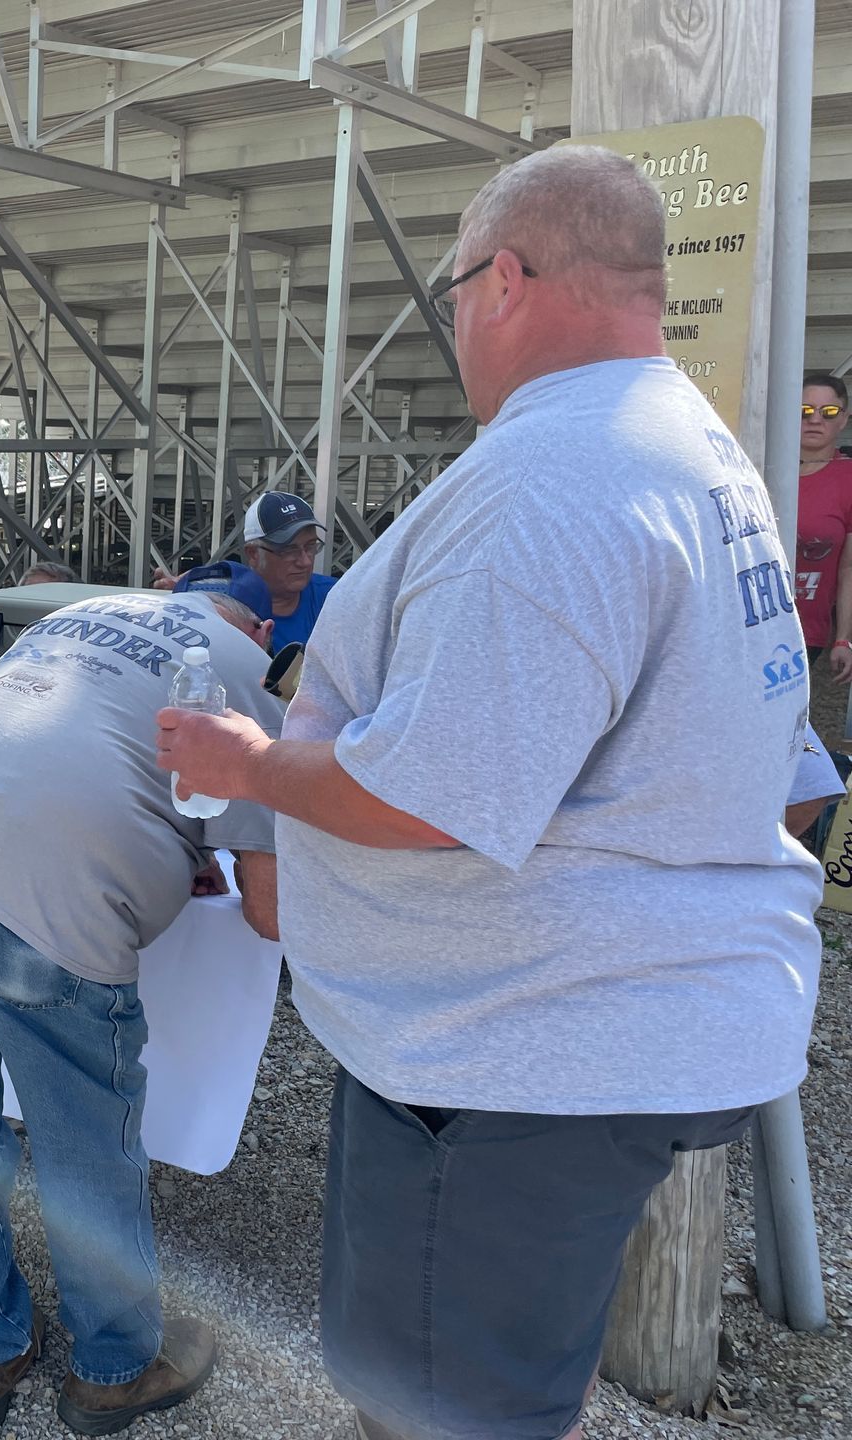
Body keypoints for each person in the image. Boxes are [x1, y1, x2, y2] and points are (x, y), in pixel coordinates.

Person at [156, 145, 822, 1440]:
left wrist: (243, 766)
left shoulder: (554, 485)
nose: (456, 322)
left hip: (504, 1067)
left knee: (436, 1409)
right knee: (505, 1393)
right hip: (579, 1047)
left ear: (505, 279)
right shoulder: (695, 458)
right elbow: (790, 780)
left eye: (454, 291)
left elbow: (432, 799)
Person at [0, 589, 279, 1434]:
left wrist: (166, 842)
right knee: (82, 1137)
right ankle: (113, 1365)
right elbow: (270, 911)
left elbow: (80, 749)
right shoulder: (244, 670)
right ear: (255, 628)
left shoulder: (85, 611)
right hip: (48, 889)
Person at [797, 373, 852, 680]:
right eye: (804, 410)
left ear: (843, 419)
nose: (815, 420)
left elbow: (849, 569)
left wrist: (844, 639)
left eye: (828, 412)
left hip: (807, 632)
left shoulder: (849, 479)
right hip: (743, 623)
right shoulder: (754, 466)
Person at [237, 490, 335, 651]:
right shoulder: (230, 611)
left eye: (310, 546)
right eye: (289, 550)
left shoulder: (334, 597)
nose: (305, 561)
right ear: (253, 554)